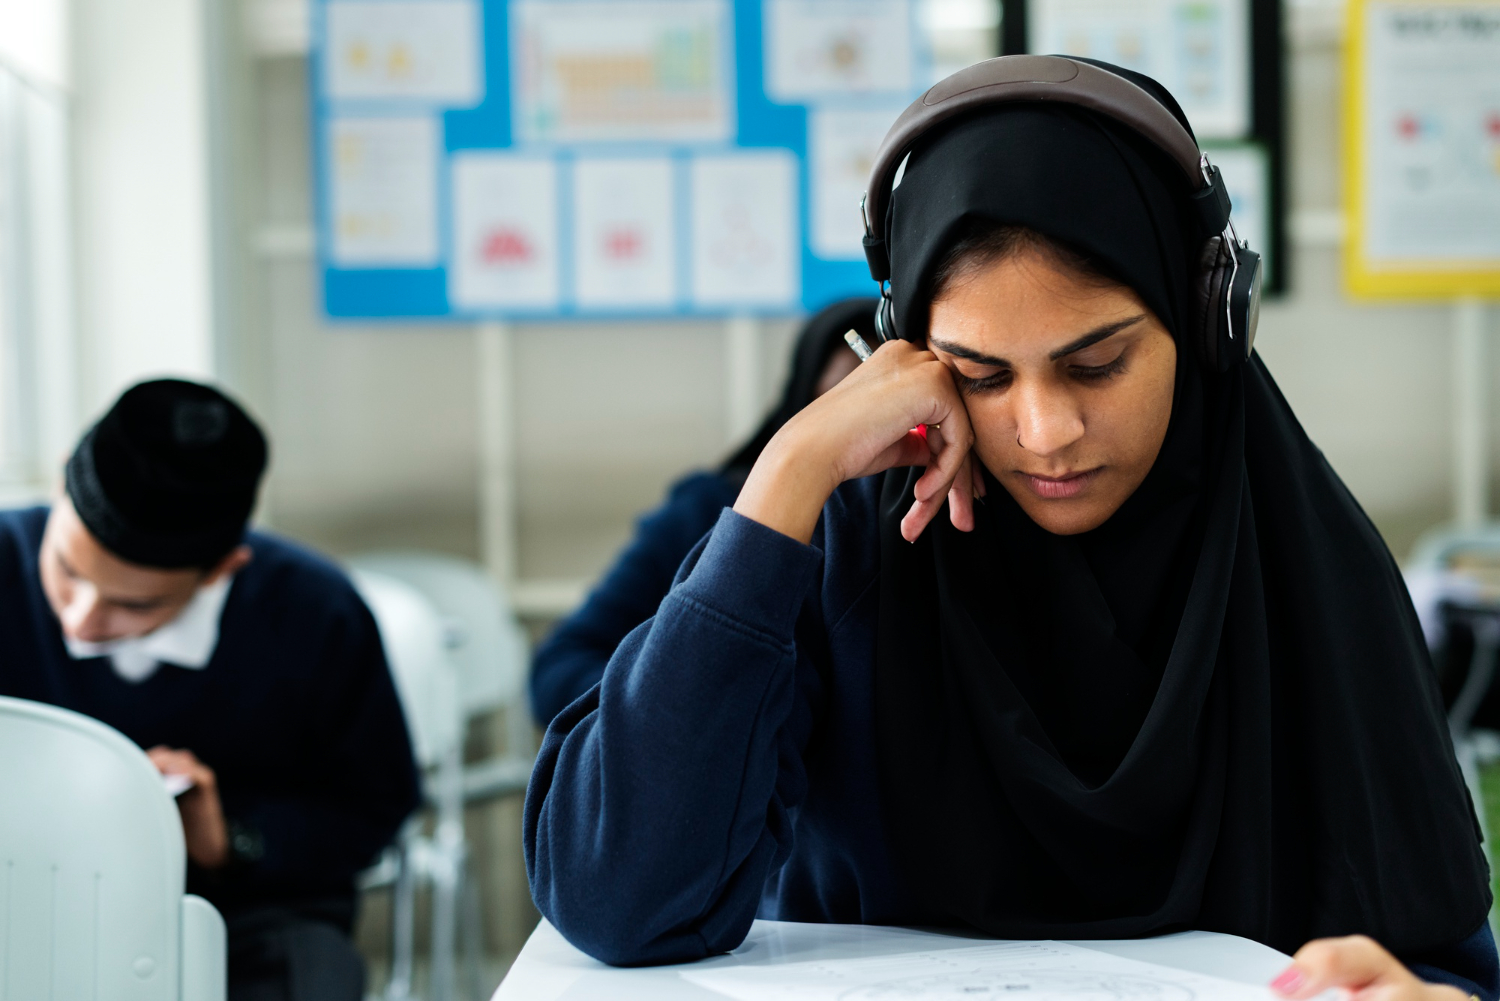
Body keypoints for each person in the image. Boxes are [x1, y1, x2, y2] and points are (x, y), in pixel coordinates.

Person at [523, 56, 1499, 1001]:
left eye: (1097, 364)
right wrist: (788, 473)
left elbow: (1442, 963)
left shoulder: (1311, 574)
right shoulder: (852, 558)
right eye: (980, 376)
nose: (1046, 431)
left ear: (1207, 320)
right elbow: (616, 898)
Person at [0, 379, 421, 1001]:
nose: (81, 620)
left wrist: (233, 840)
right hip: (22, 895)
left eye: (134, 606)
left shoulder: (314, 613)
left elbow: (374, 805)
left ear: (223, 569)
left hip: (246, 917)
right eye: (65, 569)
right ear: (61, 483)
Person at [528, 297, 877, 725]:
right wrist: (663, 708)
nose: (867, 439)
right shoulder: (712, 512)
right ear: (803, 404)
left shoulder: (929, 526)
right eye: (842, 407)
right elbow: (560, 665)